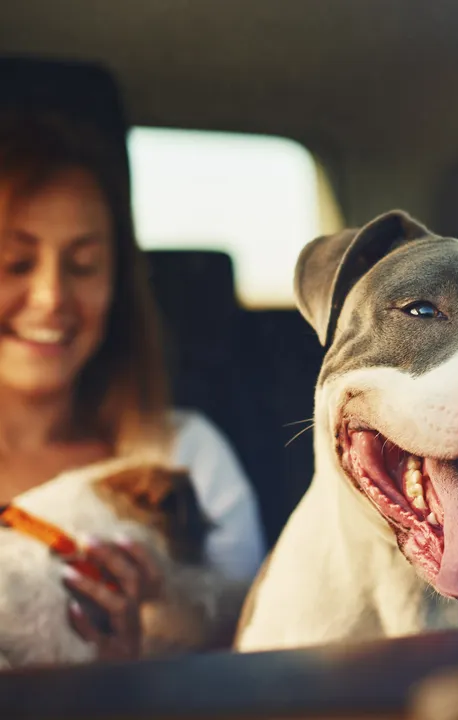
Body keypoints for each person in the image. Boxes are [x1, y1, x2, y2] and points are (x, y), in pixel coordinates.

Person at [0, 109, 265, 660]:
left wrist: (141, 660)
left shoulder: (184, 458)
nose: (52, 297)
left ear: (118, 281)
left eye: (85, 264)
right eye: (16, 262)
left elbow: (251, 660)